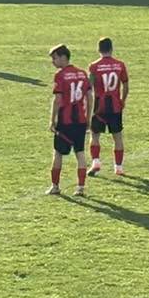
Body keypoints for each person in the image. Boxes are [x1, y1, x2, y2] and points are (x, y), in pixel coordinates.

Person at [46, 44, 91, 197]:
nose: (53, 62)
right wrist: (88, 116)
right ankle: (80, 187)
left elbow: (57, 100)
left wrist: (52, 120)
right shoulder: (82, 73)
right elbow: (90, 96)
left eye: (54, 58)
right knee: (80, 153)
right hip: (80, 120)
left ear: (63, 57)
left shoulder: (60, 75)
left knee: (58, 153)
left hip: (65, 121)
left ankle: (55, 186)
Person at [87, 36, 130, 179]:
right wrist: (122, 100)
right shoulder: (120, 65)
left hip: (100, 105)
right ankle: (118, 167)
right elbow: (125, 84)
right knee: (117, 136)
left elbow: (90, 87)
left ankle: (96, 161)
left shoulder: (94, 66)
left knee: (94, 135)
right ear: (111, 49)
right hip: (115, 105)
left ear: (99, 49)